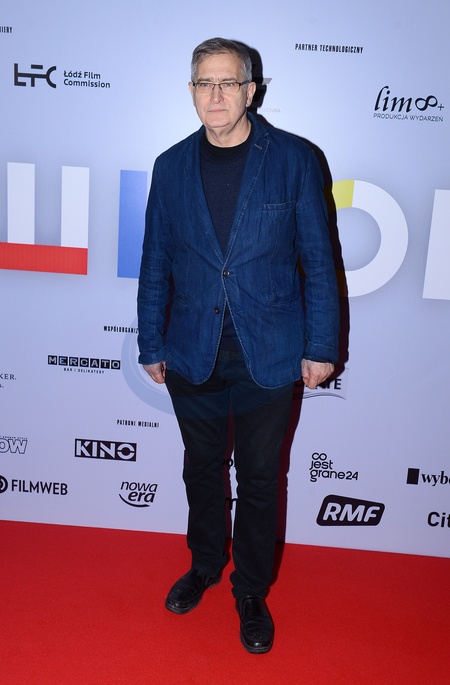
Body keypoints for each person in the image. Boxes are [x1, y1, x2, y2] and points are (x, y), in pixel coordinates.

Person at [137, 37, 339, 654]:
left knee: (257, 476)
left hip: (270, 351)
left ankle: (250, 590)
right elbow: (155, 263)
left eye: (228, 83)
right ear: (191, 91)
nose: (216, 95)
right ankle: (204, 563)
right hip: (192, 348)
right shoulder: (170, 165)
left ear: (252, 90)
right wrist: (150, 340)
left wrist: (321, 344)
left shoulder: (296, 159)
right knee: (201, 467)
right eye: (205, 83)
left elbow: (319, 261)